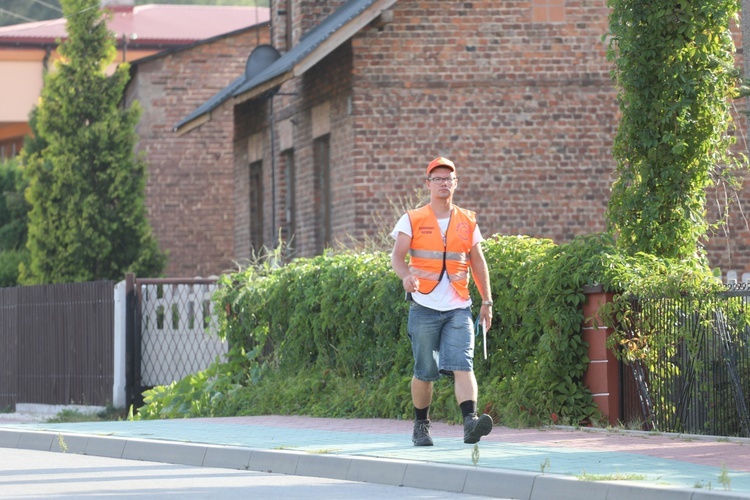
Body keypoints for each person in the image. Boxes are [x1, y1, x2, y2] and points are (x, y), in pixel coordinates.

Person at [390, 156, 494, 446]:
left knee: (464, 364)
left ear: (456, 184)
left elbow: (478, 261)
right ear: (428, 184)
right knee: (425, 371)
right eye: (437, 179)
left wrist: (487, 302)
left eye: (449, 179)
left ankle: (470, 423)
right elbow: (397, 257)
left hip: (459, 306)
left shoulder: (467, 220)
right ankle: (421, 425)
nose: (443, 183)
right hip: (424, 305)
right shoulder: (412, 218)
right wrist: (405, 276)